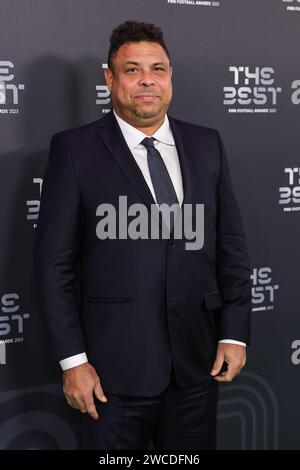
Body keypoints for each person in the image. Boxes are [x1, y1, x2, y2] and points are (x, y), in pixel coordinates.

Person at [34, 20, 251, 450]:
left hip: (196, 365)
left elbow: (232, 246)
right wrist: (74, 362)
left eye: (158, 69)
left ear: (170, 77)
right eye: (132, 70)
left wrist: (234, 332)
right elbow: (54, 265)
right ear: (110, 79)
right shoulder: (74, 150)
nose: (147, 79)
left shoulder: (207, 144)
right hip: (110, 377)